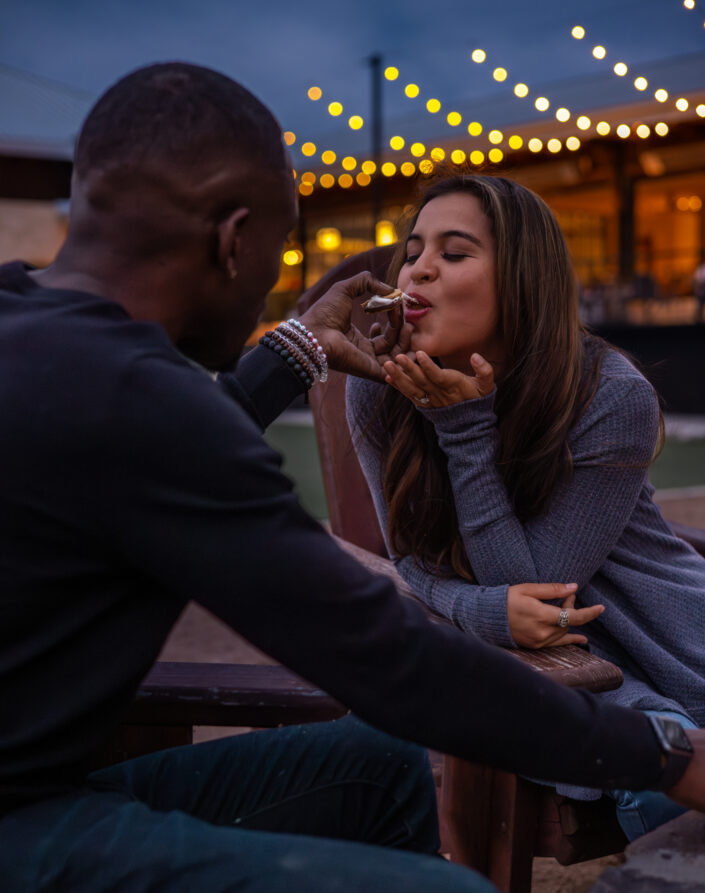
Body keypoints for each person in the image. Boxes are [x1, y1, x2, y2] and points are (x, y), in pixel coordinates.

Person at [0, 64, 703, 893]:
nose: (414, 272)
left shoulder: (33, 330)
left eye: (451, 252)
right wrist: (666, 755)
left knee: (378, 762)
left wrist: (293, 350)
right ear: (233, 241)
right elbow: (385, 656)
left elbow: (150, 445)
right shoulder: (152, 406)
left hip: (42, 784)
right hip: (28, 820)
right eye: (281, 249)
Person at [346, 173, 705, 844]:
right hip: (544, 675)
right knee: (654, 765)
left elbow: (537, 587)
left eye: (454, 252)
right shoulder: (375, 388)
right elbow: (412, 561)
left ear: (522, 279)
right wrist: (482, 609)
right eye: (413, 251)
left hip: (672, 645)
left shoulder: (608, 393)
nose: (418, 268)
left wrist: (463, 430)